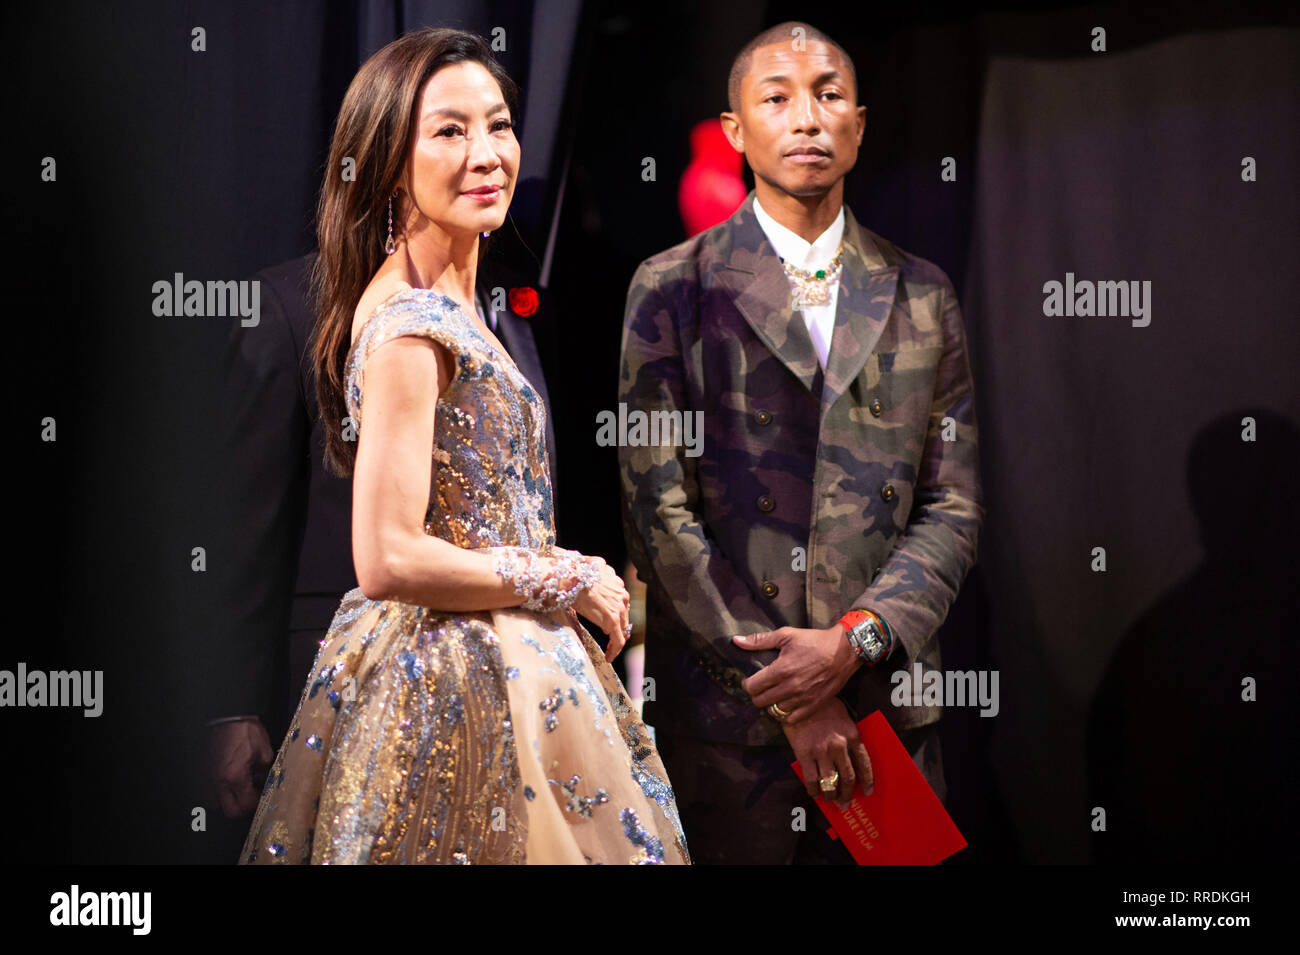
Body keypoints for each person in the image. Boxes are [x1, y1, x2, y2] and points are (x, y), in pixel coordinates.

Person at [240, 27, 688, 865]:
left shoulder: (463, 307)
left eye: (500, 125)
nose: (487, 153)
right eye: (449, 130)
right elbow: (385, 557)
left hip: (514, 664)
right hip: (445, 684)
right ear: (386, 158)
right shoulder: (411, 324)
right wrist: (564, 571)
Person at [618, 21, 983, 863]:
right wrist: (794, 694)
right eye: (777, 99)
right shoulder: (673, 285)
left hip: (884, 700)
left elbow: (953, 502)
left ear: (858, 121)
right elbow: (655, 511)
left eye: (826, 95)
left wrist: (853, 641)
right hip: (730, 721)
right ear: (736, 131)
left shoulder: (922, 292)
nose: (807, 118)